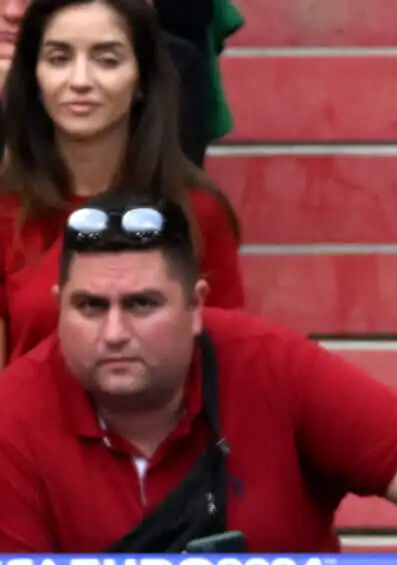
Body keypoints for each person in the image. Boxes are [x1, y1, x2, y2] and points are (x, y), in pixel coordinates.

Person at [0, 191, 397, 553]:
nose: (113, 332)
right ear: (57, 308)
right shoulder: (12, 415)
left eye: (141, 304)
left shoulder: (269, 363)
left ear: (196, 306)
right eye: (90, 306)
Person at [0, 0, 240, 361]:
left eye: (107, 60)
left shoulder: (197, 211)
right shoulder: (6, 210)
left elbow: (228, 366)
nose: (80, 81)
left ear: (141, 78)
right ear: (34, 76)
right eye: (59, 59)